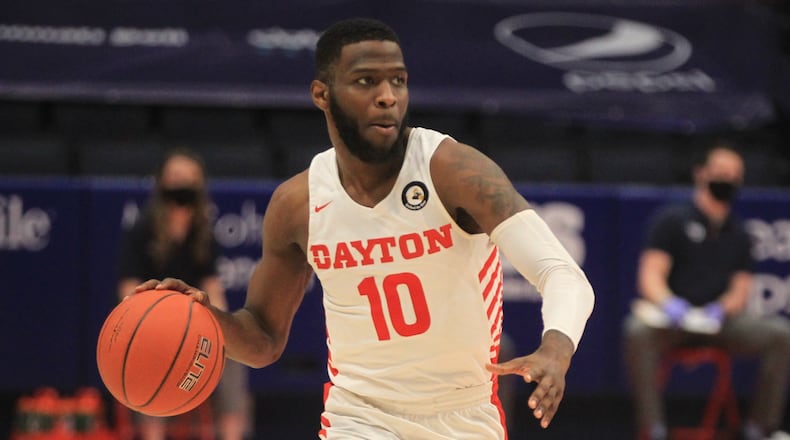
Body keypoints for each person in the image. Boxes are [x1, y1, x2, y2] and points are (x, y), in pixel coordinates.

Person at [135, 18, 595, 439]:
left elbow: (562, 273)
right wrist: (203, 319)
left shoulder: (452, 169)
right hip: (359, 414)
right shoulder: (298, 204)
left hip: (464, 412)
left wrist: (556, 347)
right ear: (322, 94)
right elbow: (261, 340)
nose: (388, 96)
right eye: (365, 81)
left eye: (398, 80)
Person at [622, 145, 790, 440]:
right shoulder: (672, 220)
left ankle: (760, 429)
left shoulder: (740, 234)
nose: (728, 180)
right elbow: (650, 276)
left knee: (780, 334)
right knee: (636, 331)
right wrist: (671, 304)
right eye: (721, 173)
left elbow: (740, 291)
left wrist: (720, 310)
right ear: (701, 173)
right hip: (672, 321)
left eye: (735, 176)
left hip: (719, 322)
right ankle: (653, 428)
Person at [116, 148, 250, 440]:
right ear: (162, 183)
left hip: (194, 325)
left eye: (189, 179)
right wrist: (144, 324)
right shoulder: (142, 228)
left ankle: (231, 435)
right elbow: (128, 287)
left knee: (234, 357)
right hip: (154, 326)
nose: (182, 185)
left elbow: (212, 285)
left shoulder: (203, 231)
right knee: (151, 362)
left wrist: (223, 326)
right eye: (176, 178)